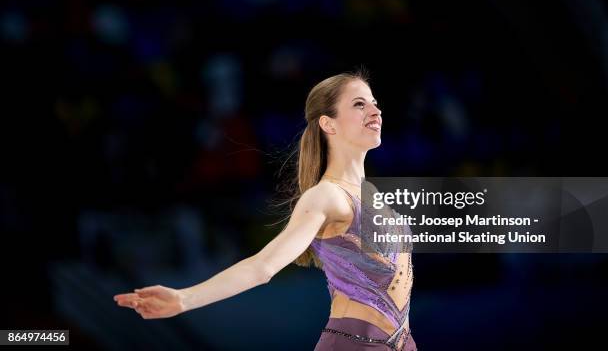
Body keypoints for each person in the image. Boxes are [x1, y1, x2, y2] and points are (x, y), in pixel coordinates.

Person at [114, 70, 417, 350]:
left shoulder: (374, 196)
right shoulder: (325, 196)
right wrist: (183, 298)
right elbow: (263, 266)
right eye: (359, 105)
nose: (375, 111)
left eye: (375, 103)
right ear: (328, 123)